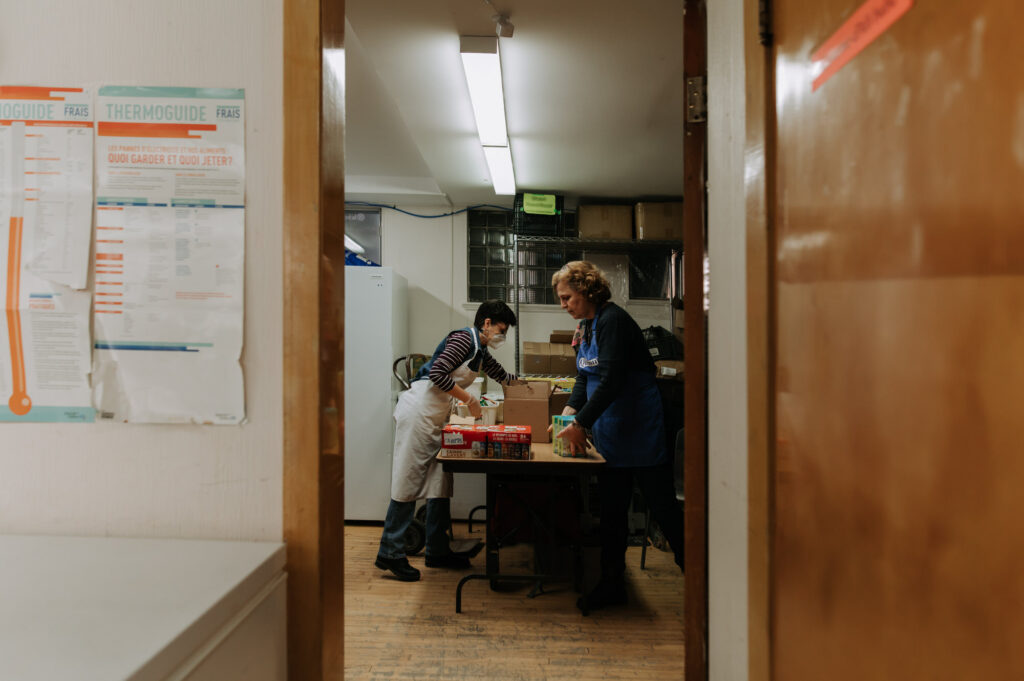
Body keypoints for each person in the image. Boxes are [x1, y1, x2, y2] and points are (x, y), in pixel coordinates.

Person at [550, 261, 685, 613]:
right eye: (560, 299)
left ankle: (703, 583)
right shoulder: (587, 327)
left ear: (586, 289)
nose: (563, 304)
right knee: (611, 512)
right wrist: (569, 410)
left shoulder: (613, 321)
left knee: (664, 509)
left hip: (639, 428)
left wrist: (581, 421)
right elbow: (584, 376)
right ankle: (612, 584)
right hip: (611, 429)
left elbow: (611, 381)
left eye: (567, 297)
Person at [375, 300, 520, 582]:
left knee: (439, 482)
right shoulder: (463, 339)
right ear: (487, 324)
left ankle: (437, 550)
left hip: (435, 417)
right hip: (419, 412)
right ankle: (390, 552)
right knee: (408, 481)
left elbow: (504, 377)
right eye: (501, 330)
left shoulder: (481, 351)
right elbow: (438, 374)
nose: (502, 336)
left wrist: (534, 386)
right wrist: (470, 400)